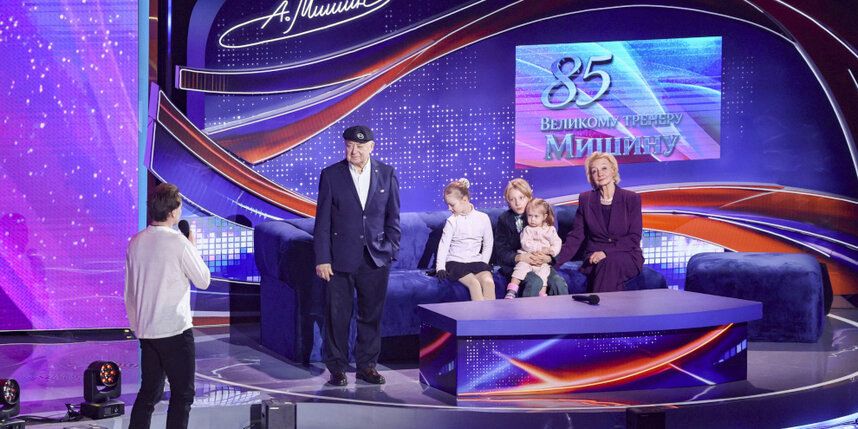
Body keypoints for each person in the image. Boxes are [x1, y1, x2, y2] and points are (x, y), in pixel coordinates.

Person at [314, 125, 401, 387]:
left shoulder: (387, 173)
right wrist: (322, 258)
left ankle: (367, 366)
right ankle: (337, 368)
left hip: (375, 258)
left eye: (360, 146)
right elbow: (322, 222)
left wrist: (390, 249)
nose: (354, 151)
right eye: (349, 145)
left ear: (371, 147)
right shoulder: (331, 175)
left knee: (371, 316)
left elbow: (393, 217)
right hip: (340, 259)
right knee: (337, 316)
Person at [125, 183, 211, 429]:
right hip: (174, 330)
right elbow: (203, 280)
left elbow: (130, 290)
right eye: (180, 207)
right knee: (182, 394)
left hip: (147, 330)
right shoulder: (178, 243)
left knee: (148, 393)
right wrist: (191, 247)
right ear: (172, 212)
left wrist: (137, 326)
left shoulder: (136, 242)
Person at [555, 152, 644, 292]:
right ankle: (612, 306)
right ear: (591, 177)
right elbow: (576, 237)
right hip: (594, 256)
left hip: (627, 255)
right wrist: (554, 260)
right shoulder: (586, 199)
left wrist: (605, 252)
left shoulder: (631, 198)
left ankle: (599, 304)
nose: (600, 174)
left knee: (609, 262)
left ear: (613, 170)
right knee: (606, 263)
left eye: (604, 168)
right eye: (594, 171)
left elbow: (634, 237)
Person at [493, 179, 568, 297]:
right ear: (508, 202)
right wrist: (520, 257)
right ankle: (526, 308)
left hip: (542, 263)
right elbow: (501, 251)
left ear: (529, 197)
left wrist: (548, 258)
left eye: (521, 198)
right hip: (518, 264)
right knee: (535, 281)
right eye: (512, 199)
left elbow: (555, 243)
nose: (518, 203)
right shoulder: (504, 219)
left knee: (558, 283)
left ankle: (561, 308)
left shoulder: (540, 215)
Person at [435, 178, 495, 301]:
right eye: (447, 205)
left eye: (452, 205)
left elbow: (488, 243)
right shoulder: (452, 221)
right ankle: (479, 314)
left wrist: (484, 263)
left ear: (465, 200)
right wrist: (440, 267)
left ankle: (490, 313)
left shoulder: (483, 218)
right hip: (456, 262)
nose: (449, 208)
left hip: (476, 261)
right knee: (474, 284)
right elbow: (444, 245)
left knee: (489, 282)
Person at [504, 198, 564, 298]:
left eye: (536, 216)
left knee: (544, 274)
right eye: (530, 216)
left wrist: (552, 251)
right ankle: (512, 290)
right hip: (528, 257)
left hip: (542, 260)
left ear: (544, 216)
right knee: (520, 269)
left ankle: (542, 295)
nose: (532, 219)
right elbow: (525, 243)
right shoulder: (527, 229)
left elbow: (557, 242)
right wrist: (540, 248)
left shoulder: (550, 230)